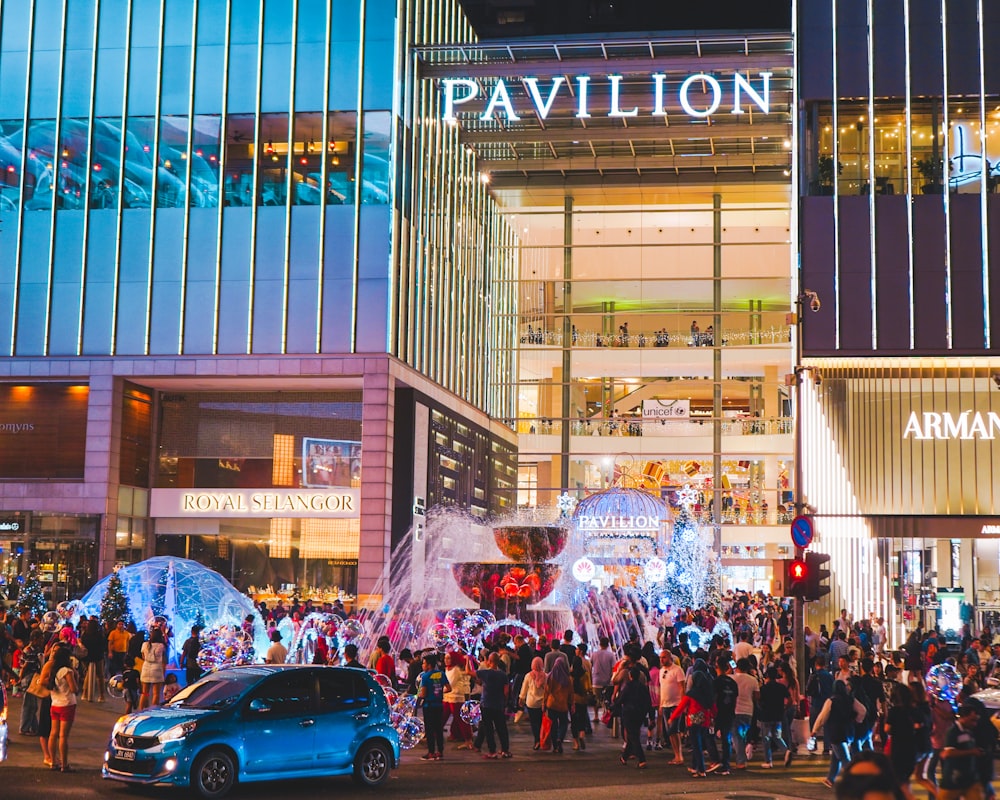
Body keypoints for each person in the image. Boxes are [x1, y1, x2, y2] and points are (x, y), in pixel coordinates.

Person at [938, 704, 985, 800]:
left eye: (976, 720)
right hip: (954, 779)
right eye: (972, 720)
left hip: (970, 778)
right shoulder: (953, 732)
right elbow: (948, 753)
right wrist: (971, 752)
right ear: (963, 717)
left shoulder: (969, 730)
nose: (975, 724)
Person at [469, 651, 511, 758]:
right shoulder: (503, 675)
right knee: (501, 728)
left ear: (489, 661)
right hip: (499, 704)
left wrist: (467, 659)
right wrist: (504, 701)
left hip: (487, 704)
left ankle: (492, 751)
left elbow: (469, 672)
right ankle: (505, 750)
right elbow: (506, 691)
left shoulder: (486, 673)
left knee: (488, 729)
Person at [47, 644, 79, 772]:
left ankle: (53, 761)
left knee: (53, 733)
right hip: (67, 704)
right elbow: (73, 689)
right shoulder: (66, 671)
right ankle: (64, 764)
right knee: (63, 736)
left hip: (55, 704)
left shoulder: (53, 670)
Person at [417, 652, 450, 761]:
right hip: (439, 705)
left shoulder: (425, 676)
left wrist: (418, 695)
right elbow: (449, 688)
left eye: (424, 663)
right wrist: (439, 692)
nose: (423, 665)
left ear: (429, 665)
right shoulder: (441, 674)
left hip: (429, 706)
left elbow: (424, 694)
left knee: (430, 730)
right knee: (439, 729)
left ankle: (431, 752)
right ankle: (440, 751)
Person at [616, 666, 650, 768]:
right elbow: (648, 701)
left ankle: (642, 759)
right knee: (633, 734)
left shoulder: (628, 687)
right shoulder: (643, 687)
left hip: (629, 713)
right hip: (640, 714)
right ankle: (624, 756)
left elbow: (621, 699)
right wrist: (651, 716)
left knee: (633, 736)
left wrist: (612, 707)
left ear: (630, 676)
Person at [442, 651, 473, 749]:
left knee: (460, 719)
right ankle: (454, 735)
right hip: (448, 697)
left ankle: (468, 740)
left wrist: (437, 691)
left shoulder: (455, 669)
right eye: (445, 658)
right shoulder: (448, 668)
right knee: (443, 716)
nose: (446, 660)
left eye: (448, 658)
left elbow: (450, 683)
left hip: (456, 697)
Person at [544, 657, 573, 754]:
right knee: (563, 723)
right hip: (563, 705)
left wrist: (544, 703)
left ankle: (555, 746)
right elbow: (570, 693)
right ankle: (560, 738)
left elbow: (546, 692)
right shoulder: (568, 679)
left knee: (553, 725)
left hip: (551, 704)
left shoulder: (550, 677)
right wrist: (572, 704)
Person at [519, 656, 547, 750]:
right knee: (541, 722)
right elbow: (548, 690)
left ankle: (537, 741)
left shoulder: (528, 676)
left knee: (534, 723)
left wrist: (521, 698)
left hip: (531, 703)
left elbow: (524, 688)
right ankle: (542, 739)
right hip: (542, 703)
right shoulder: (545, 676)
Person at [80, 618, 107, 702]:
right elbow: (103, 646)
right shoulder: (99, 635)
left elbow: (83, 644)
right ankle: (101, 695)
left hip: (87, 657)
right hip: (98, 656)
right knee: (100, 676)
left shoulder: (85, 634)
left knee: (88, 674)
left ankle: (84, 693)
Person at [139, 627, 167, 709]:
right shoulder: (161, 645)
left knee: (145, 692)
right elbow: (164, 659)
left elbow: (143, 656)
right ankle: (153, 711)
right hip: (157, 668)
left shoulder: (145, 644)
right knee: (156, 693)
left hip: (146, 667)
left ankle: (141, 710)